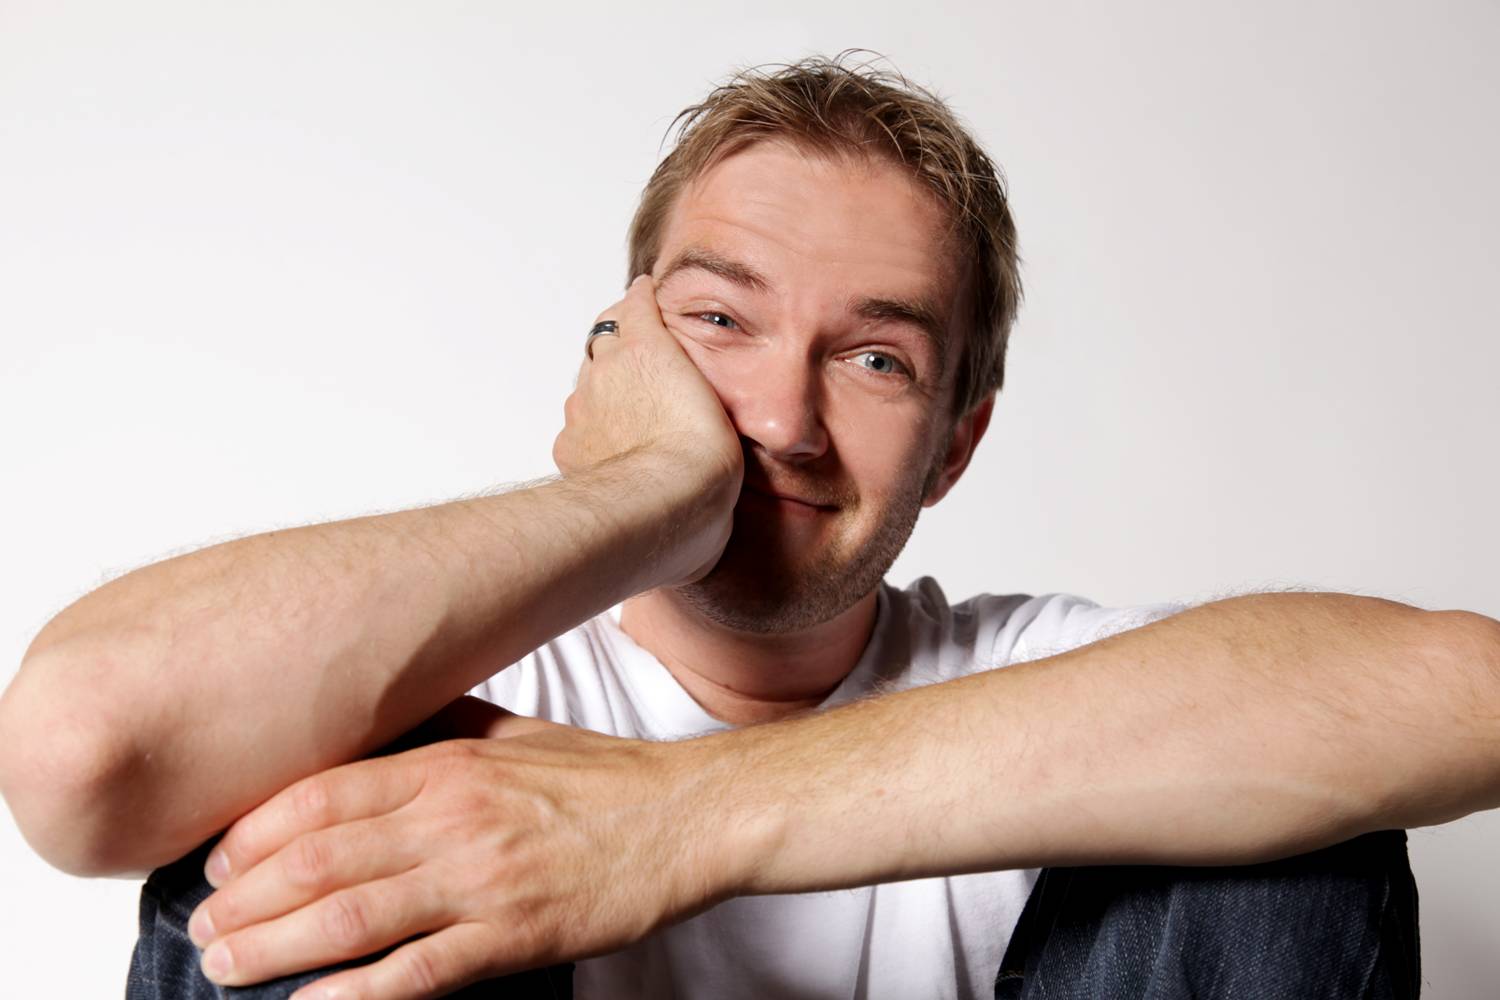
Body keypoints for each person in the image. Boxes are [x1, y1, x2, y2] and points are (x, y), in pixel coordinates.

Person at [0, 52, 1490, 999]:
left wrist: (675, 818)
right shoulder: (475, 688)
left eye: (876, 359)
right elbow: (81, 753)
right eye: (719, 322)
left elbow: (1466, 693)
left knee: (1285, 840)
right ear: (620, 353)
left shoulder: (1035, 678)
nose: (783, 419)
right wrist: (644, 488)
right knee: (316, 816)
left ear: (957, 445)